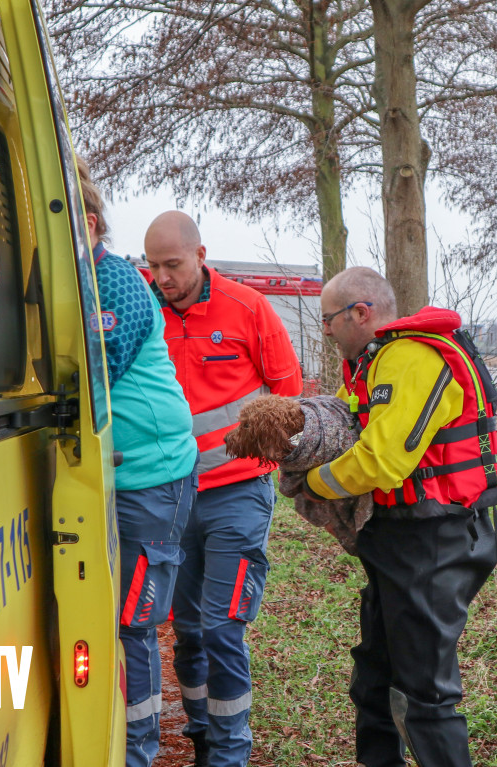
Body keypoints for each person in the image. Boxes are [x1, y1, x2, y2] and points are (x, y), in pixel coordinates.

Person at [304, 266, 497, 767]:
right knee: (374, 681)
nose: (324, 330)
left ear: (361, 312)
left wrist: (309, 484)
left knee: (424, 695)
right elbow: (356, 423)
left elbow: (381, 459)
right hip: (401, 541)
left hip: (433, 541)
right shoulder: (377, 362)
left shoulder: (409, 358)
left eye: (329, 319)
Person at [144, 211, 303, 767]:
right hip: (170, 496)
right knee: (184, 631)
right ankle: (202, 735)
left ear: (201, 255)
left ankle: (230, 755)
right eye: (153, 265)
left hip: (238, 492)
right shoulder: (141, 309)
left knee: (221, 627)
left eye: (173, 265)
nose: (162, 277)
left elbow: (288, 395)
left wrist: (272, 454)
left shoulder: (247, 308)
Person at [77, 160, 199, 767]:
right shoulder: (68, 282)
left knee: (133, 622)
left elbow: (90, 390)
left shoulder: (115, 285)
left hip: (151, 481)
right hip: (109, 478)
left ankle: (137, 753)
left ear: (89, 223)